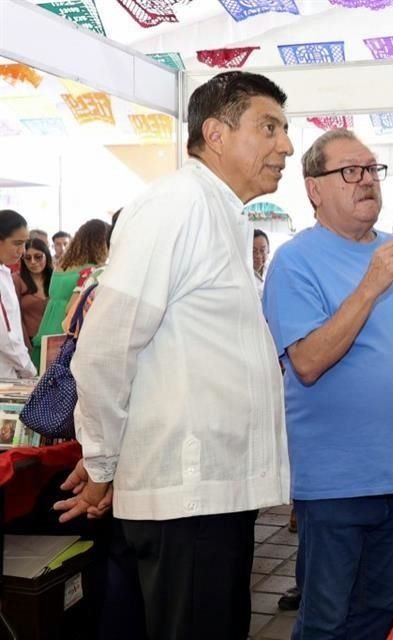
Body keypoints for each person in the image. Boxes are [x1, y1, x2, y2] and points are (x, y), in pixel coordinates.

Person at [53, 70, 294, 640]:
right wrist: (103, 460)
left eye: (284, 130)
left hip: (210, 494)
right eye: (269, 128)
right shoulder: (177, 205)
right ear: (215, 133)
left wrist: (108, 455)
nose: (285, 145)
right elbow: (106, 347)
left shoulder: (221, 213)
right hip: (188, 499)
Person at [262, 128, 393, 639]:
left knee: (379, 614)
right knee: (327, 621)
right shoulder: (295, 261)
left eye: (371, 169)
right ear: (314, 188)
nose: (366, 180)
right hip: (338, 479)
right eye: (349, 171)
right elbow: (307, 361)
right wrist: (370, 285)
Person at [32, 218, 109, 363]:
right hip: (64, 329)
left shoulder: (61, 265)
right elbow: (71, 308)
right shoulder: (90, 270)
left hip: (47, 324)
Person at [0, 210, 37, 379]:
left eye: (24, 243)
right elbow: (6, 337)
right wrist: (30, 371)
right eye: (17, 243)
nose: (22, 251)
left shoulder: (4, 272)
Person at [14, 238, 52, 364]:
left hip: (53, 340)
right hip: (29, 342)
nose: (33, 262)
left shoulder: (56, 278)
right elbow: (15, 317)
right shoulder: (17, 280)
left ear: (46, 255)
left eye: (38, 256)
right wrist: (26, 347)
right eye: (27, 258)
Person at [252, 228, 269, 298]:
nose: (258, 256)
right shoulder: (243, 275)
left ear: (268, 250)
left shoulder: (272, 268)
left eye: (262, 250)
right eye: (254, 251)